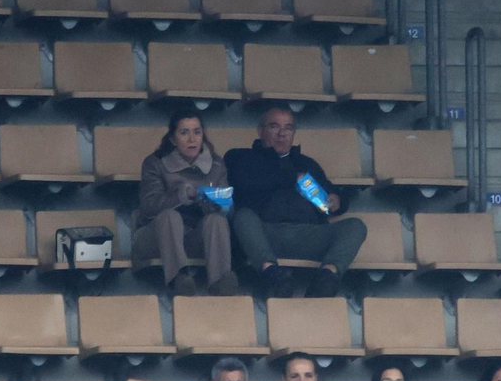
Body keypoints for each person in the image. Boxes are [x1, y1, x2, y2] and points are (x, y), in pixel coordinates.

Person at [224, 107, 366, 298]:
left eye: (288, 128)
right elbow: (243, 183)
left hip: (308, 235)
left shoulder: (307, 163)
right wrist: (292, 177)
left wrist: (338, 201)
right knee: (243, 217)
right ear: (260, 130)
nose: (282, 133)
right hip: (264, 234)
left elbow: (333, 194)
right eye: (274, 126)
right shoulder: (240, 157)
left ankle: (326, 278)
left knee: (356, 226)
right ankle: (273, 275)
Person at [132, 110, 239, 296]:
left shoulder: (216, 164)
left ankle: (221, 281)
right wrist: (179, 196)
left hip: (194, 238)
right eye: (184, 133)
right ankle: (178, 278)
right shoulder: (155, 163)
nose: (192, 139)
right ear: (173, 139)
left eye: (197, 132)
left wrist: (216, 204)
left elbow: (230, 210)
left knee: (217, 220)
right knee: (170, 216)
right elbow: (148, 207)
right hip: (155, 238)